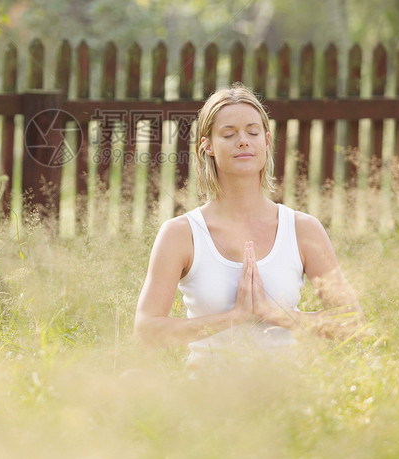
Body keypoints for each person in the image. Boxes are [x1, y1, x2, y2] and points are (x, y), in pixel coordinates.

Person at [134, 83, 363, 364]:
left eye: (252, 132)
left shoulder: (303, 230)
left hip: (288, 398)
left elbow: (352, 322)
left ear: (266, 142)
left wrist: (279, 316)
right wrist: (233, 318)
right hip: (203, 400)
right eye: (229, 134)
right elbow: (147, 330)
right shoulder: (181, 234)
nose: (243, 141)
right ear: (207, 146)